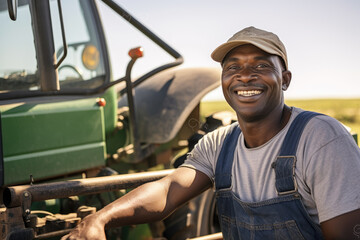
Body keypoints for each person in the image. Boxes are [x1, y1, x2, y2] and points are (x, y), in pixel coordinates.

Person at [63, 27, 360, 240]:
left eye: (261, 65)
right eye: (233, 67)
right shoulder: (219, 143)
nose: (245, 75)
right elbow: (167, 191)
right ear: (223, 79)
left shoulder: (321, 139)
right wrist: (100, 218)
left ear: (285, 79)